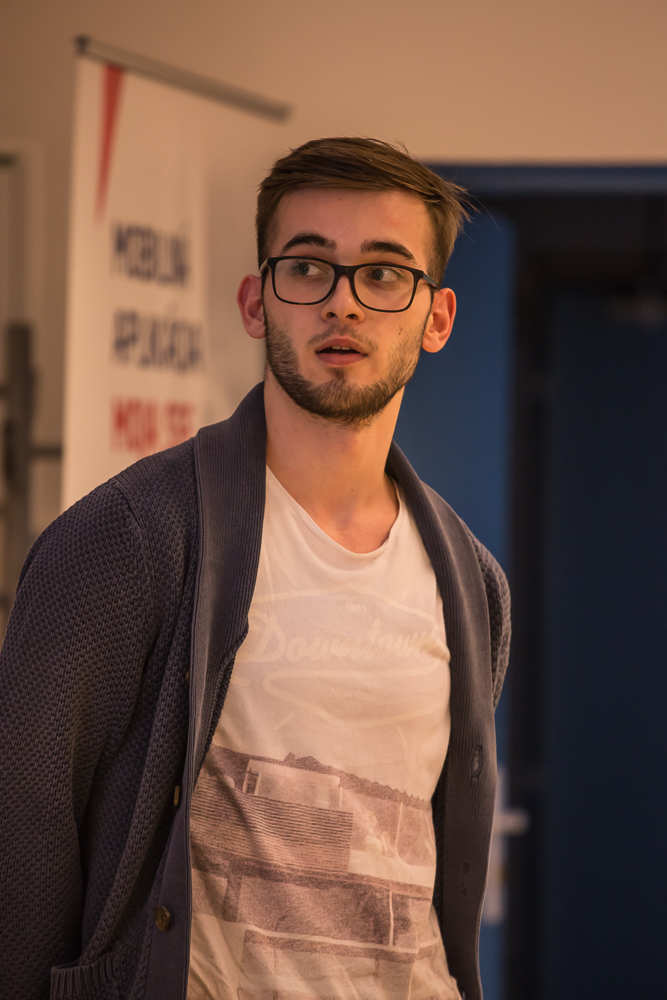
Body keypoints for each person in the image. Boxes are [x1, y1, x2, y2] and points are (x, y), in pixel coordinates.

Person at [0, 137, 510, 1000]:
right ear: (254, 301)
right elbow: (22, 833)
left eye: (384, 274)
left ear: (436, 318)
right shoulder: (127, 538)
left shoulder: (471, 583)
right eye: (307, 267)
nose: (342, 301)